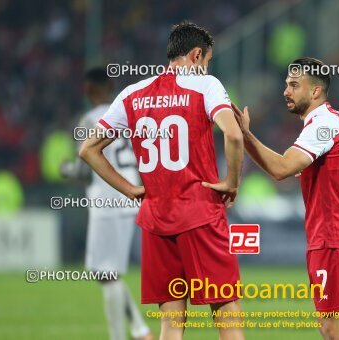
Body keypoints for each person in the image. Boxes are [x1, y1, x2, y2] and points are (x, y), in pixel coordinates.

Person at [79, 22, 245, 340]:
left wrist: (129, 189)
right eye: (206, 61)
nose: (207, 67)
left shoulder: (132, 93)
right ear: (197, 55)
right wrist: (231, 181)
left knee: (170, 323)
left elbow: (88, 149)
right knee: (227, 313)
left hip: (155, 220)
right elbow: (234, 136)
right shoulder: (205, 85)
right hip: (200, 214)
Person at [232, 57, 339, 340]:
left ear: (315, 91)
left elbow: (281, 168)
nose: (286, 91)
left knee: (334, 327)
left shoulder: (321, 125)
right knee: (332, 325)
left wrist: (245, 136)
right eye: (286, 85)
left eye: (294, 85)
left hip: (333, 237)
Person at [60, 67, 153, 340]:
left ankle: (120, 335)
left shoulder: (89, 119)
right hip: (131, 195)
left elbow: (83, 169)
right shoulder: (128, 113)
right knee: (106, 270)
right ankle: (140, 330)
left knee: (105, 272)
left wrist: (65, 170)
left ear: (88, 90)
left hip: (108, 200)